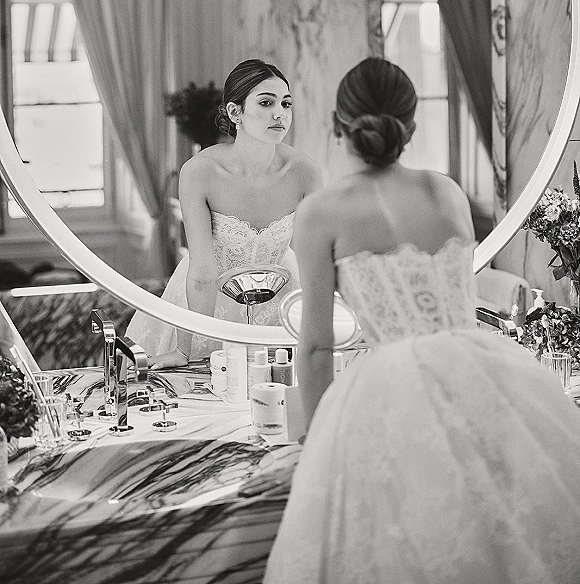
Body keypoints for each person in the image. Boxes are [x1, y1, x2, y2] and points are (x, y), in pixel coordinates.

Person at [264, 57, 580, 584]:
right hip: (489, 377)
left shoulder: (322, 211)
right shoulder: (447, 192)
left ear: (338, 126)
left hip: (388, 391)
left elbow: (316, 347)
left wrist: (319, 446)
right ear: (410, 126)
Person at [127, 59, 322, 368]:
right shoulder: (200, 172)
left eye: (286, 104)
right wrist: (184, 350)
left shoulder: (304, 171)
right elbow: (203, 272)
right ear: (235, 113)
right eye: (266, 102)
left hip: (281, 300)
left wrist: (322, 331)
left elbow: (318, 258)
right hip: (204, 302)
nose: (279, 114)